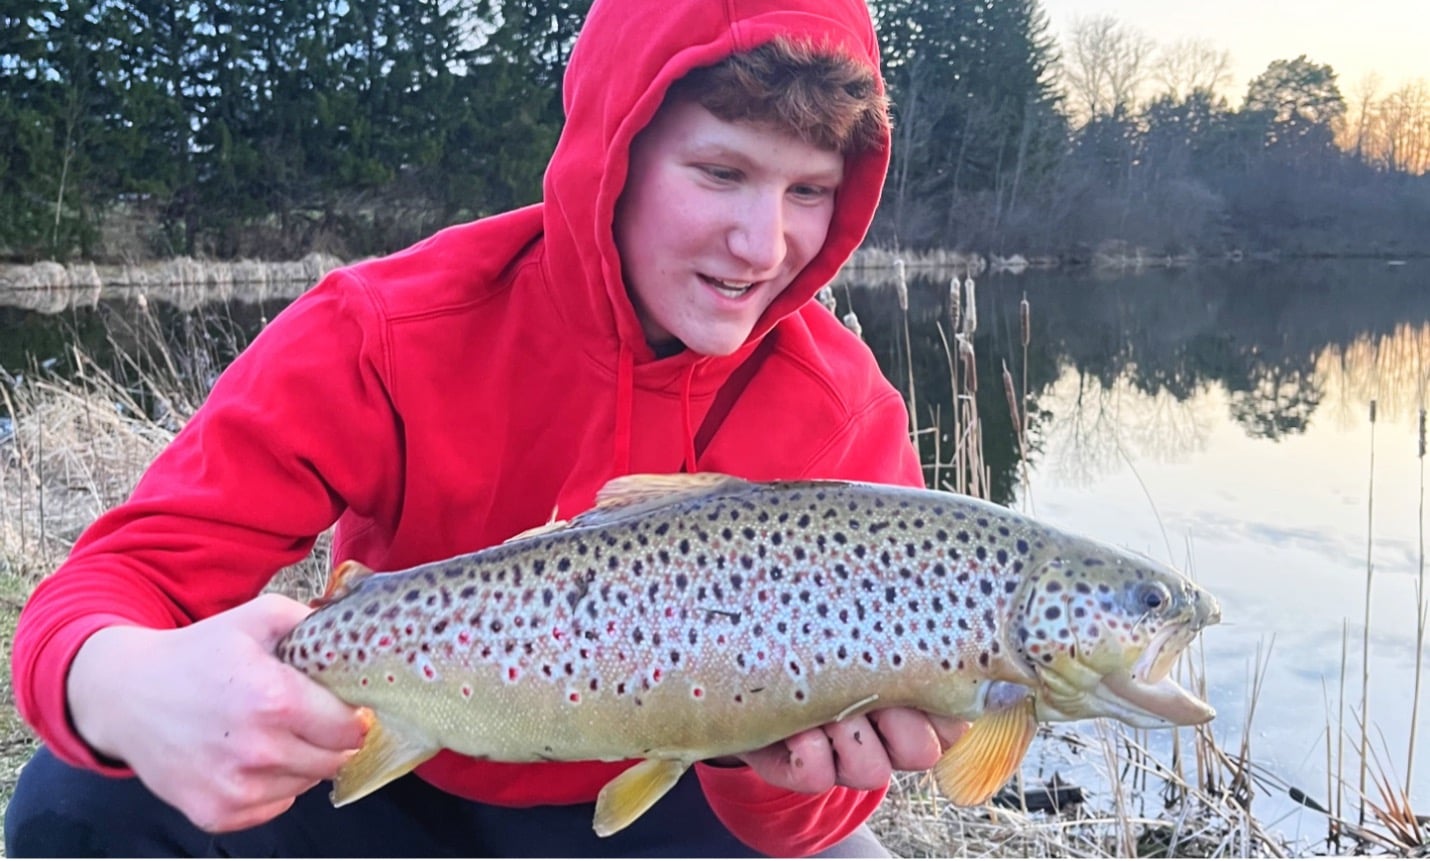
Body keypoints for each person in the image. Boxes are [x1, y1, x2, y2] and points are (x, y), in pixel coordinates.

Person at [7, 0, 969, 856]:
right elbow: (109, 586)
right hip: (383, 766)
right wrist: (124, 683)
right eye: (721, 172)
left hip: (652, 803)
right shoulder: (388, 328)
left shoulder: (844, 413)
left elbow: (797, 826)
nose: (764, 245)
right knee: (78, 791)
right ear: (615, 153)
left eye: (808, 191)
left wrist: (783, 770)